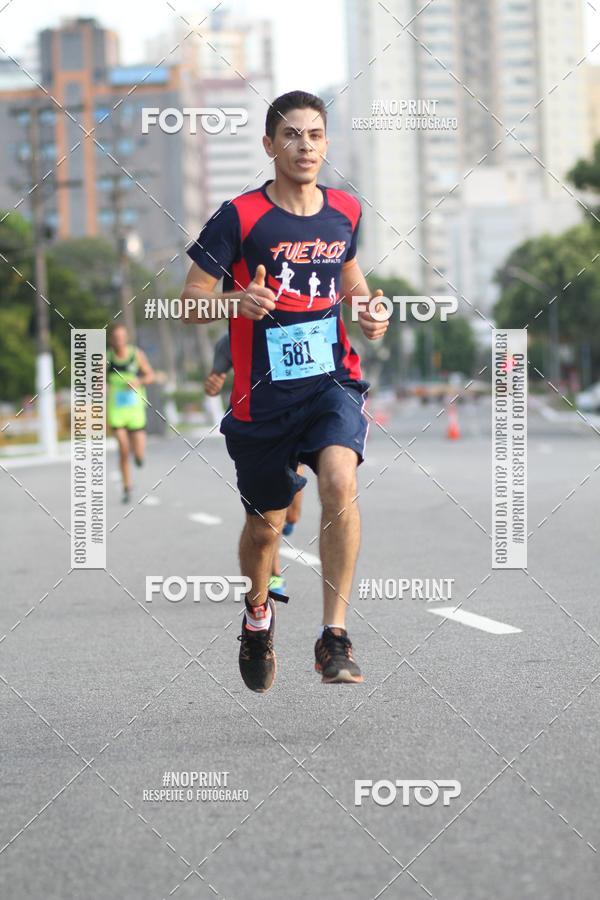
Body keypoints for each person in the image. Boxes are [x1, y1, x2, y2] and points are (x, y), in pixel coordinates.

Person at [182, 90, 387, 692]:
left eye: (316, 135)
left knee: (340, 481)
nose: (305, 146)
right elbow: (188, 300)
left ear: (327, 144)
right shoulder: (238, 217)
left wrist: (370, 309)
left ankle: (335, 637)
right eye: (292, 135)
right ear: (269, 145)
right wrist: (235, 302)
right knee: (264, 530)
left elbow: (350, 279)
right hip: (262, 398)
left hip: (332, 381)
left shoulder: (345, 210)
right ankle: (257, 612)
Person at [204, 332, 304, 597]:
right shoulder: (231, 340)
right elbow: (216, 377)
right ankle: (273, 573)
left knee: (291, 513)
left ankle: (285, 522)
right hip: (256, 425)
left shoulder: (294, 328)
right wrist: (213, 382)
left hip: (295, 416)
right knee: (269, 512)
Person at [106, 324, 155, 504]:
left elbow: (150, 376)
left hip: (135, 409)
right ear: (112, 340)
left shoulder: (136, 355)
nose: (119, 341)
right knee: (124, 449)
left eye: (122, 337)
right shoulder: (107, 358)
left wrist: (138, 381)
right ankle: (127, 486)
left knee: (139, 453)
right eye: (116, 338)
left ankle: (140, 457)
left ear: (126, 338)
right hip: (116, 410)